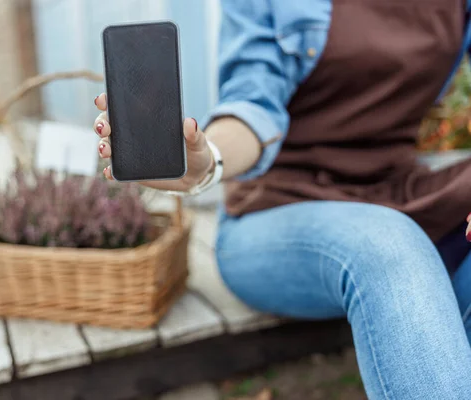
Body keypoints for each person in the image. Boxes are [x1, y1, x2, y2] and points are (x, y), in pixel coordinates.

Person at [92, 1, 471, 398]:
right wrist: (209, 161)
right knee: (392, 241)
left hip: (401, 189)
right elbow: (253, 108)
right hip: (278, 208)